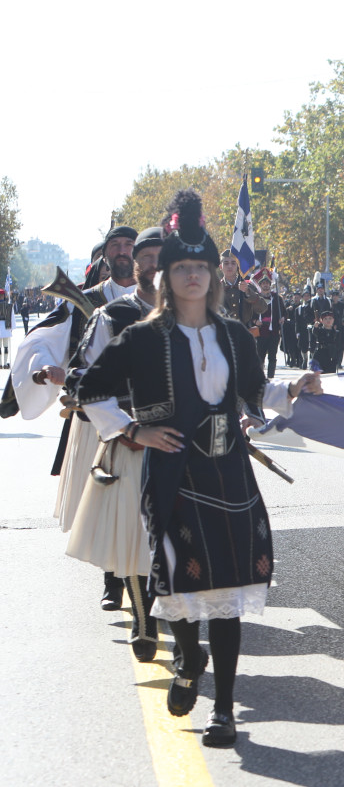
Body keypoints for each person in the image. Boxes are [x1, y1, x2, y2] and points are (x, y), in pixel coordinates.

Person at [76, 189, 321, 748]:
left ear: (214, 275)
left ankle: (226, 711)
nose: (192, 276)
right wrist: (134, 430)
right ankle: (189, 662)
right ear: (165, 276)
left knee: (229, 590)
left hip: (229, 475)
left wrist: (295, 387)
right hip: (171, 478)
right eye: (181, 268)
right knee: (180, 586)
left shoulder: (234, 335)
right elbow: (85, 388)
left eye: (201, 268)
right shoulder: (141, 338)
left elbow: (257, 391)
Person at [8, 224, 140, 611]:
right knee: (104, 496)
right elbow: (46, 339)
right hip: (96, 414)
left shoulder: (158, 298)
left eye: (128, 245)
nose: (121, 251)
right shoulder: (87, 301)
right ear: (105, 255)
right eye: (115, 245)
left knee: (139, 502)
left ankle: (141, 582)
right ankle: (112, 581)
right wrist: (44, 368)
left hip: (146, 412)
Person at [63, 224, 164, 661]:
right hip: (129, 443)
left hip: (182, 445)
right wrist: (126, 428)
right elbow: (86, 380)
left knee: (177, 540)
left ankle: (168, 610)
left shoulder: (199, 317)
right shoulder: (113, 316)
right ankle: (143, 619)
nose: (151, 266)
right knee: (135, 538)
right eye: (145, 258)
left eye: (161, 259)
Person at [217, 250, 267, 334]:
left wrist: (248, 292)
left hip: (245, 334)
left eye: (233, 263)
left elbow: (263, 308)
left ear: (238, 266)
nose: (230, 266)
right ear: (220, 267)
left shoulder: (248, 286)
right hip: (224, 335)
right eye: (226, 263)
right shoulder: (215, 289)